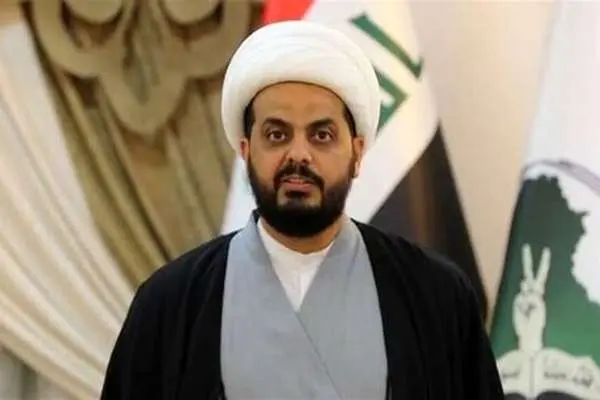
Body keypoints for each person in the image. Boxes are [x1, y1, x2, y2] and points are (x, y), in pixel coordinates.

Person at [100, 20, 504, 400]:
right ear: (246, 151)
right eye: (276, 135)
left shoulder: (436, 297)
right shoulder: (170, 304)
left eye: (321, 135)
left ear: (357, 153)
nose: (298, 154)